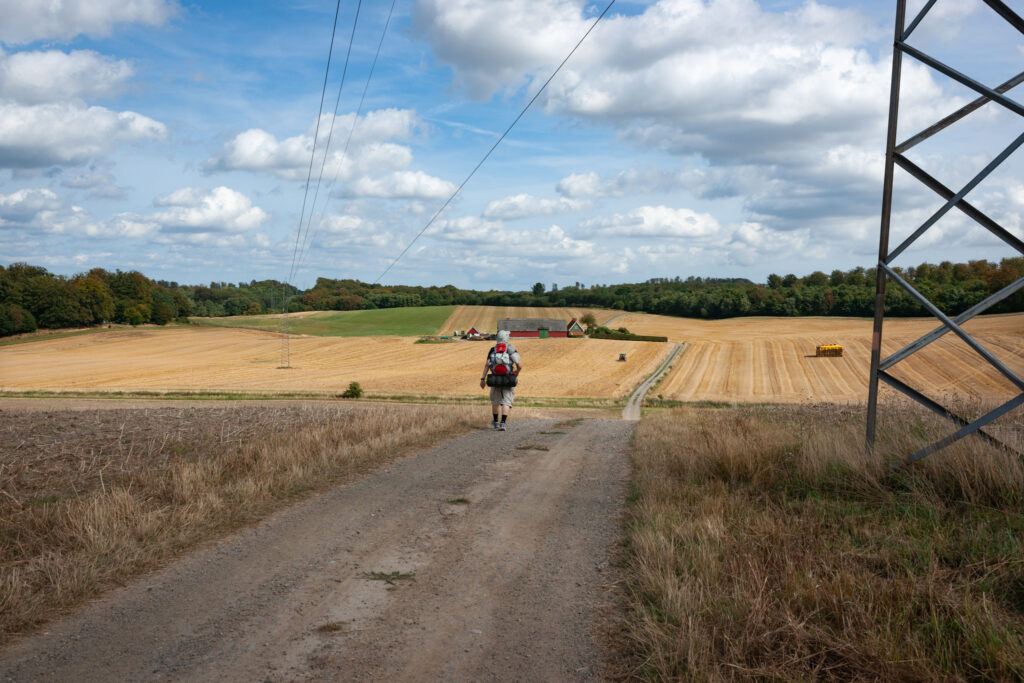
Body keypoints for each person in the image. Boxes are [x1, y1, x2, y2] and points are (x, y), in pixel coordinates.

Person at [480, 329, 522, 431]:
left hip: (494, 379)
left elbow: (486, 365)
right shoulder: (511, 349)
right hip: (508, 379)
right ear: (506, 338)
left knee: (495, 401)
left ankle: (495, 422)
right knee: (506, 402)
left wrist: (482, 379)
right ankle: (503, 423)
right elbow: (519, 365)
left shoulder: (492, 350)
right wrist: (516, 372)